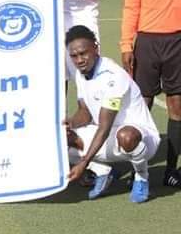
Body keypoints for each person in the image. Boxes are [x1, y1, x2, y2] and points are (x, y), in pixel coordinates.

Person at [65, 25, 159, 203]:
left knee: (126, 136)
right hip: (107, 135)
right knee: (61, 136)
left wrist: (83, 163)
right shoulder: (80, 74)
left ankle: (141, 176)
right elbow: (85, 113)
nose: (79, 60)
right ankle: (102, 171)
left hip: (140, 137)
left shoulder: (113, 75)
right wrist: (69, 124)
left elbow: (104, 127)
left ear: (96, 48)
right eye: (74, 56)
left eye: (83, 53)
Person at [121, 0, 181, 187]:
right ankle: (138, 169)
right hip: (147, 43)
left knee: (176, 105)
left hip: (177, 42)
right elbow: (131, 6)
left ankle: (171, 169)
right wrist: (126, 44)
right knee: (141, 104)